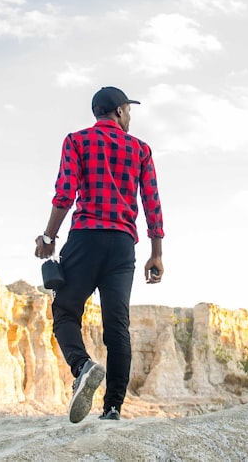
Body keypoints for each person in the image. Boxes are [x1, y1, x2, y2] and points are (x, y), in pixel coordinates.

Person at [34, 86, 165, 423]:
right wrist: (156, 254)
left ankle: (82, 366)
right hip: (123, 246)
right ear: (119, 111)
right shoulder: (140, 150)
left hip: (86, 239)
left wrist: (49, 237)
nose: (130, 117)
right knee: (117, 327)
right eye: (128, 111)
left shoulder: (76, 141)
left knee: (65, 312)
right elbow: (152, 204)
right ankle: (112, 409)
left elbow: (65, 193)